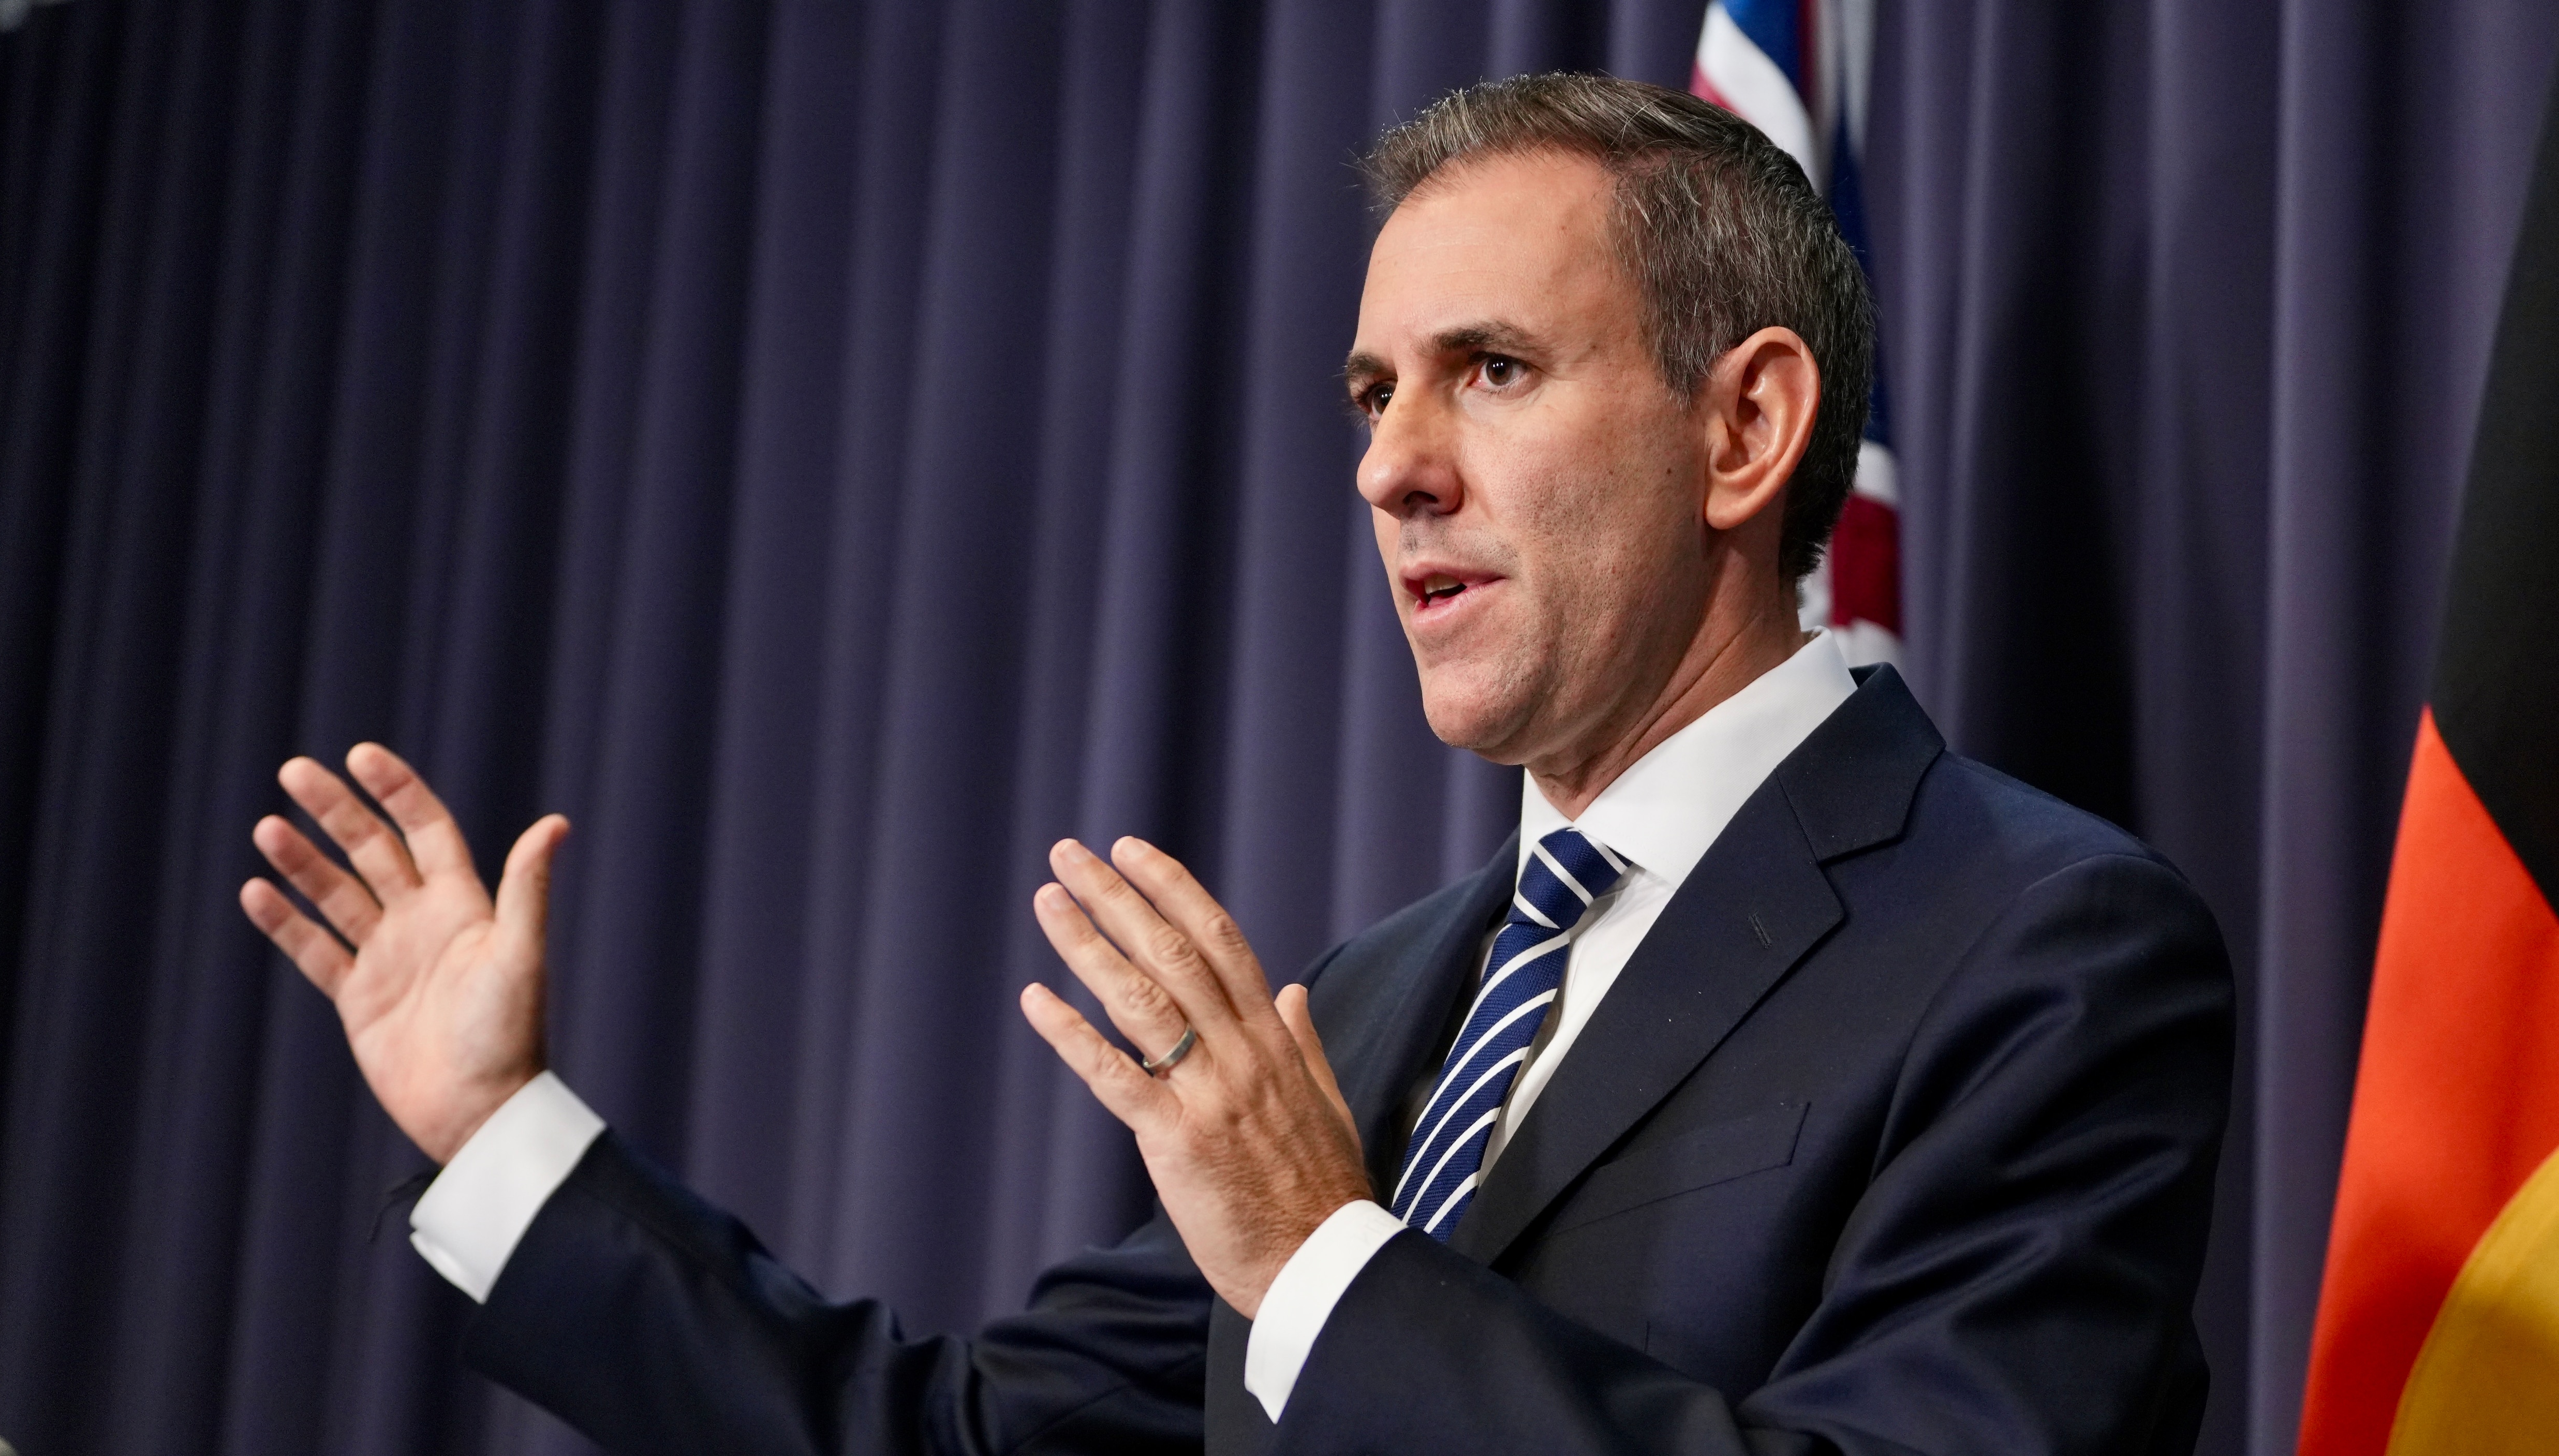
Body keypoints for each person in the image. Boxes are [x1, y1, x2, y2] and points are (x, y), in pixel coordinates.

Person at [241, 75, 2231, 1454]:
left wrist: (1321, 1264)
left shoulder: (2037, 947)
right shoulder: (1373, 1008)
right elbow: (950, 1440)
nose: (1388, 467)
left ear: (1746, 431)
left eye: (1493, 370)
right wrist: (497, 1130)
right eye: (1374, 393)